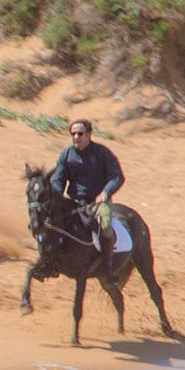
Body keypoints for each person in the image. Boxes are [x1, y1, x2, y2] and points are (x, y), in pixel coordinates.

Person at [50, 119, 124, 278]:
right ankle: (50, 263)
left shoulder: (102, 153)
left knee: (105, 225)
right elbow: (58, 178)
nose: (76, 137)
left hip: (97, 202)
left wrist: (105, 192)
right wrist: (56, 194)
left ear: (89, 135)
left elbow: (117, 177)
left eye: (80, 134)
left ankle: (107, 267)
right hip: (74, 202)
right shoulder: (67, 154)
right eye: (73, 134)